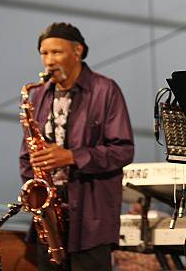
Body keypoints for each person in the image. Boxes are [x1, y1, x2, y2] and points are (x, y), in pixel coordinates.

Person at [19, 22, 134, 271]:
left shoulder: (105, 90)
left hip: (90, 217)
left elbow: (123, 150)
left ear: (78, 50)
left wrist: (71, 157)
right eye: (44, 53)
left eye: (57, 52)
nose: (49, 61)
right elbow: (27, 155)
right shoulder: (37, 95)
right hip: (50, 216)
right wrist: (37, 196)